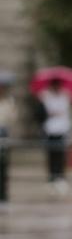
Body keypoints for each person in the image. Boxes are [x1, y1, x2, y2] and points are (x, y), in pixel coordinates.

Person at [40, 78, 72, 196]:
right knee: (51, 155)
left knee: (61, 155)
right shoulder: (46, 96)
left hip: (62, 130)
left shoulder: (65, 97)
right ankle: (52, 177)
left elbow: (66, 114)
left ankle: (60, 177)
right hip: (50, 130)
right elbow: (48, 111)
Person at [0, 72, 16, 203]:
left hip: (4, 133)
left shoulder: (9, 101)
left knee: (3, 166)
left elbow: (12, 118)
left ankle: (3, 196)